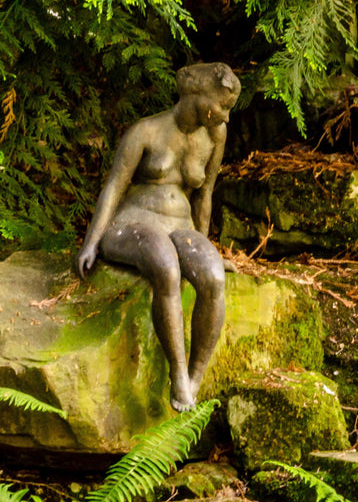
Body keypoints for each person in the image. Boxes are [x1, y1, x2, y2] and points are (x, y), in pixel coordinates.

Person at [75, 63, 239, 412]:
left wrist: (204, 244)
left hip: (181, 226)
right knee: (166, 265)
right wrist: (92, 242)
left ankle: (195, 376)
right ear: (199, 97)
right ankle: (177, 374)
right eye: (221, 106)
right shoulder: (146, 131)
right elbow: (114, 186)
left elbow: (205, 193)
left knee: (211, 275)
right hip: (134, 223)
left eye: (229, 109)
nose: (224, 116)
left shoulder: (215, 136)